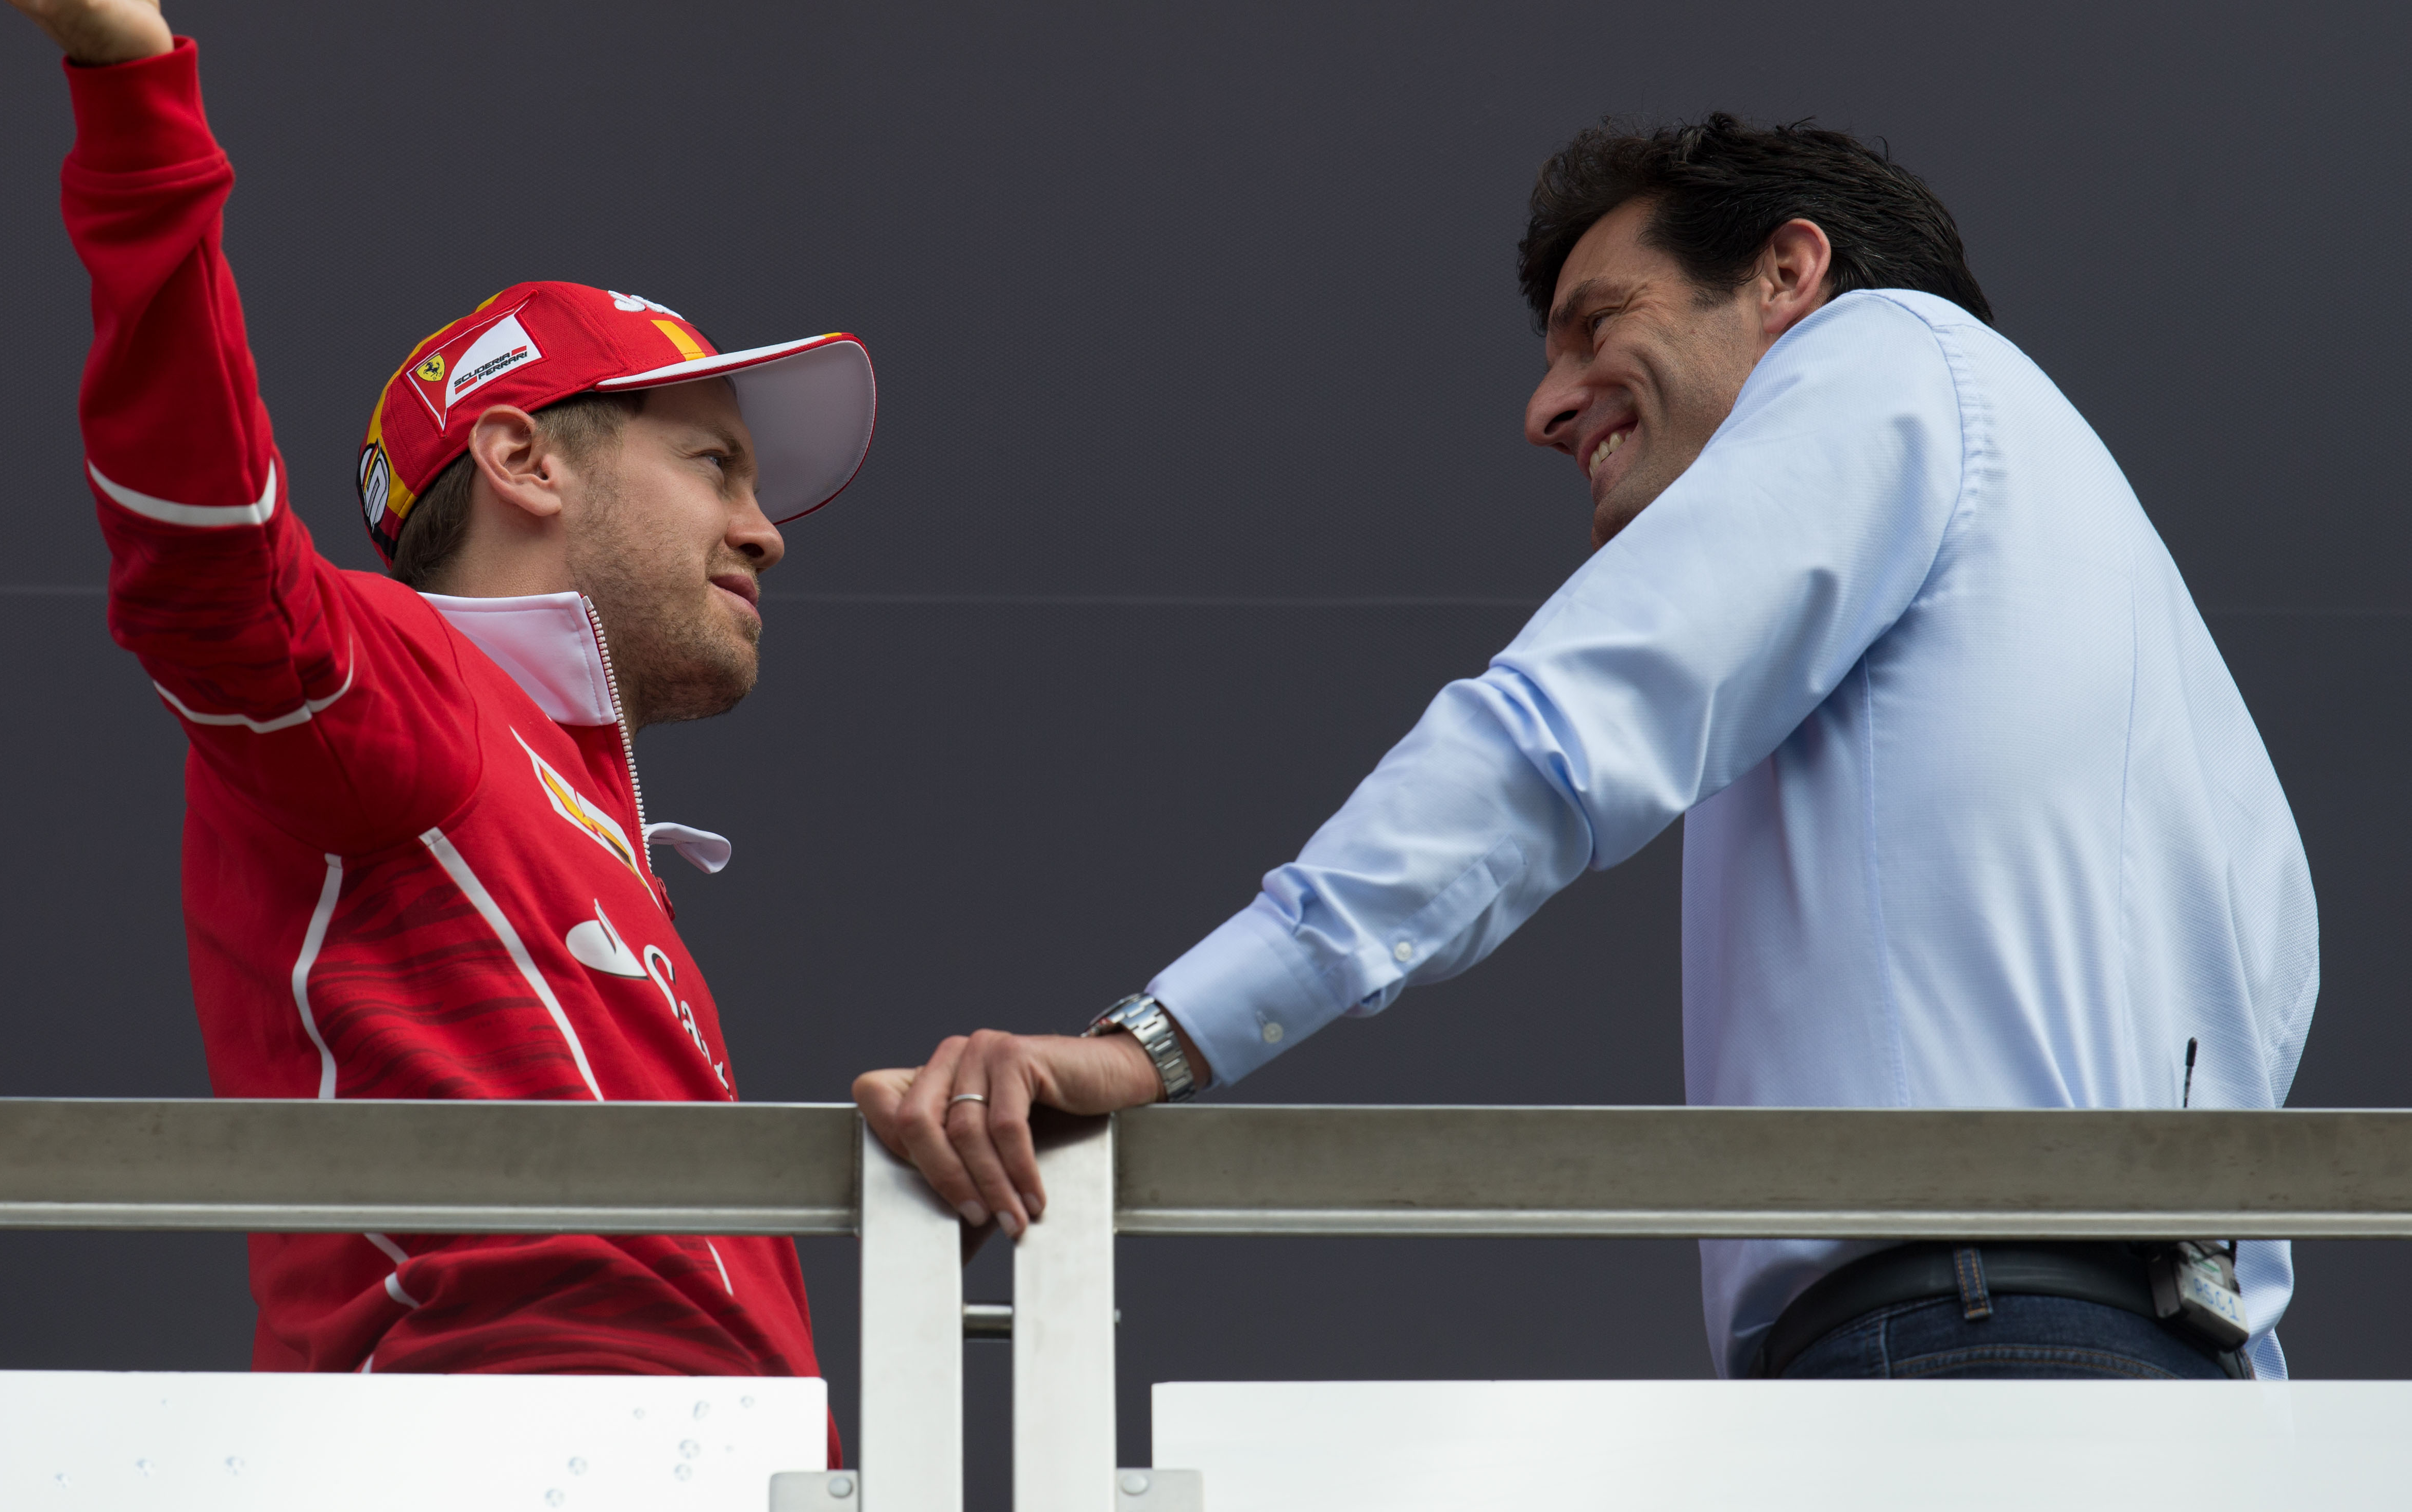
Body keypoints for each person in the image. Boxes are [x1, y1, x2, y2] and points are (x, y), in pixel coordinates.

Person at [857, 115, 2318, 1381]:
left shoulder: (1879, 355)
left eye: (1596, 322)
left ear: (1786, 275)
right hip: (2149, 1375)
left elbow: (1561, 734)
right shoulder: (2140, 658)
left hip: (1962, 1343)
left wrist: (1152, 1042)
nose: (1545, 405)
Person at [0, 0, 877, 1395]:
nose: (763, 528)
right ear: (523, 457)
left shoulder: (565, 802)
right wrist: (131, 99)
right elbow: (205, 558)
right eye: (714, 464)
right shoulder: (395, 691)